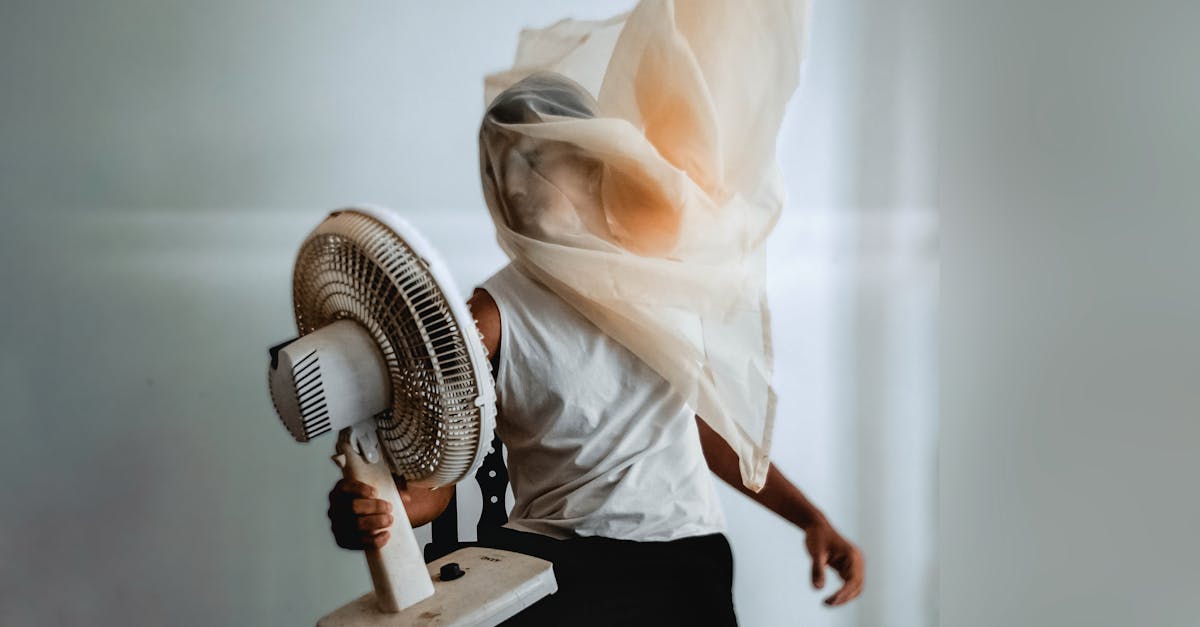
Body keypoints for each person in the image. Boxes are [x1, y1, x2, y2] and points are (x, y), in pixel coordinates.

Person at [330, 2, 863, 623]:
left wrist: (811, 519)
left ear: (591, 164)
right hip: (562, 565)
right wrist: (374, 512)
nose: (521, 185)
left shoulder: (660, 274)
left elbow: (700, 429)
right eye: (505, 171)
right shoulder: (489, 316)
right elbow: (436, 480)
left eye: (539, 160)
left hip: (688, 560)